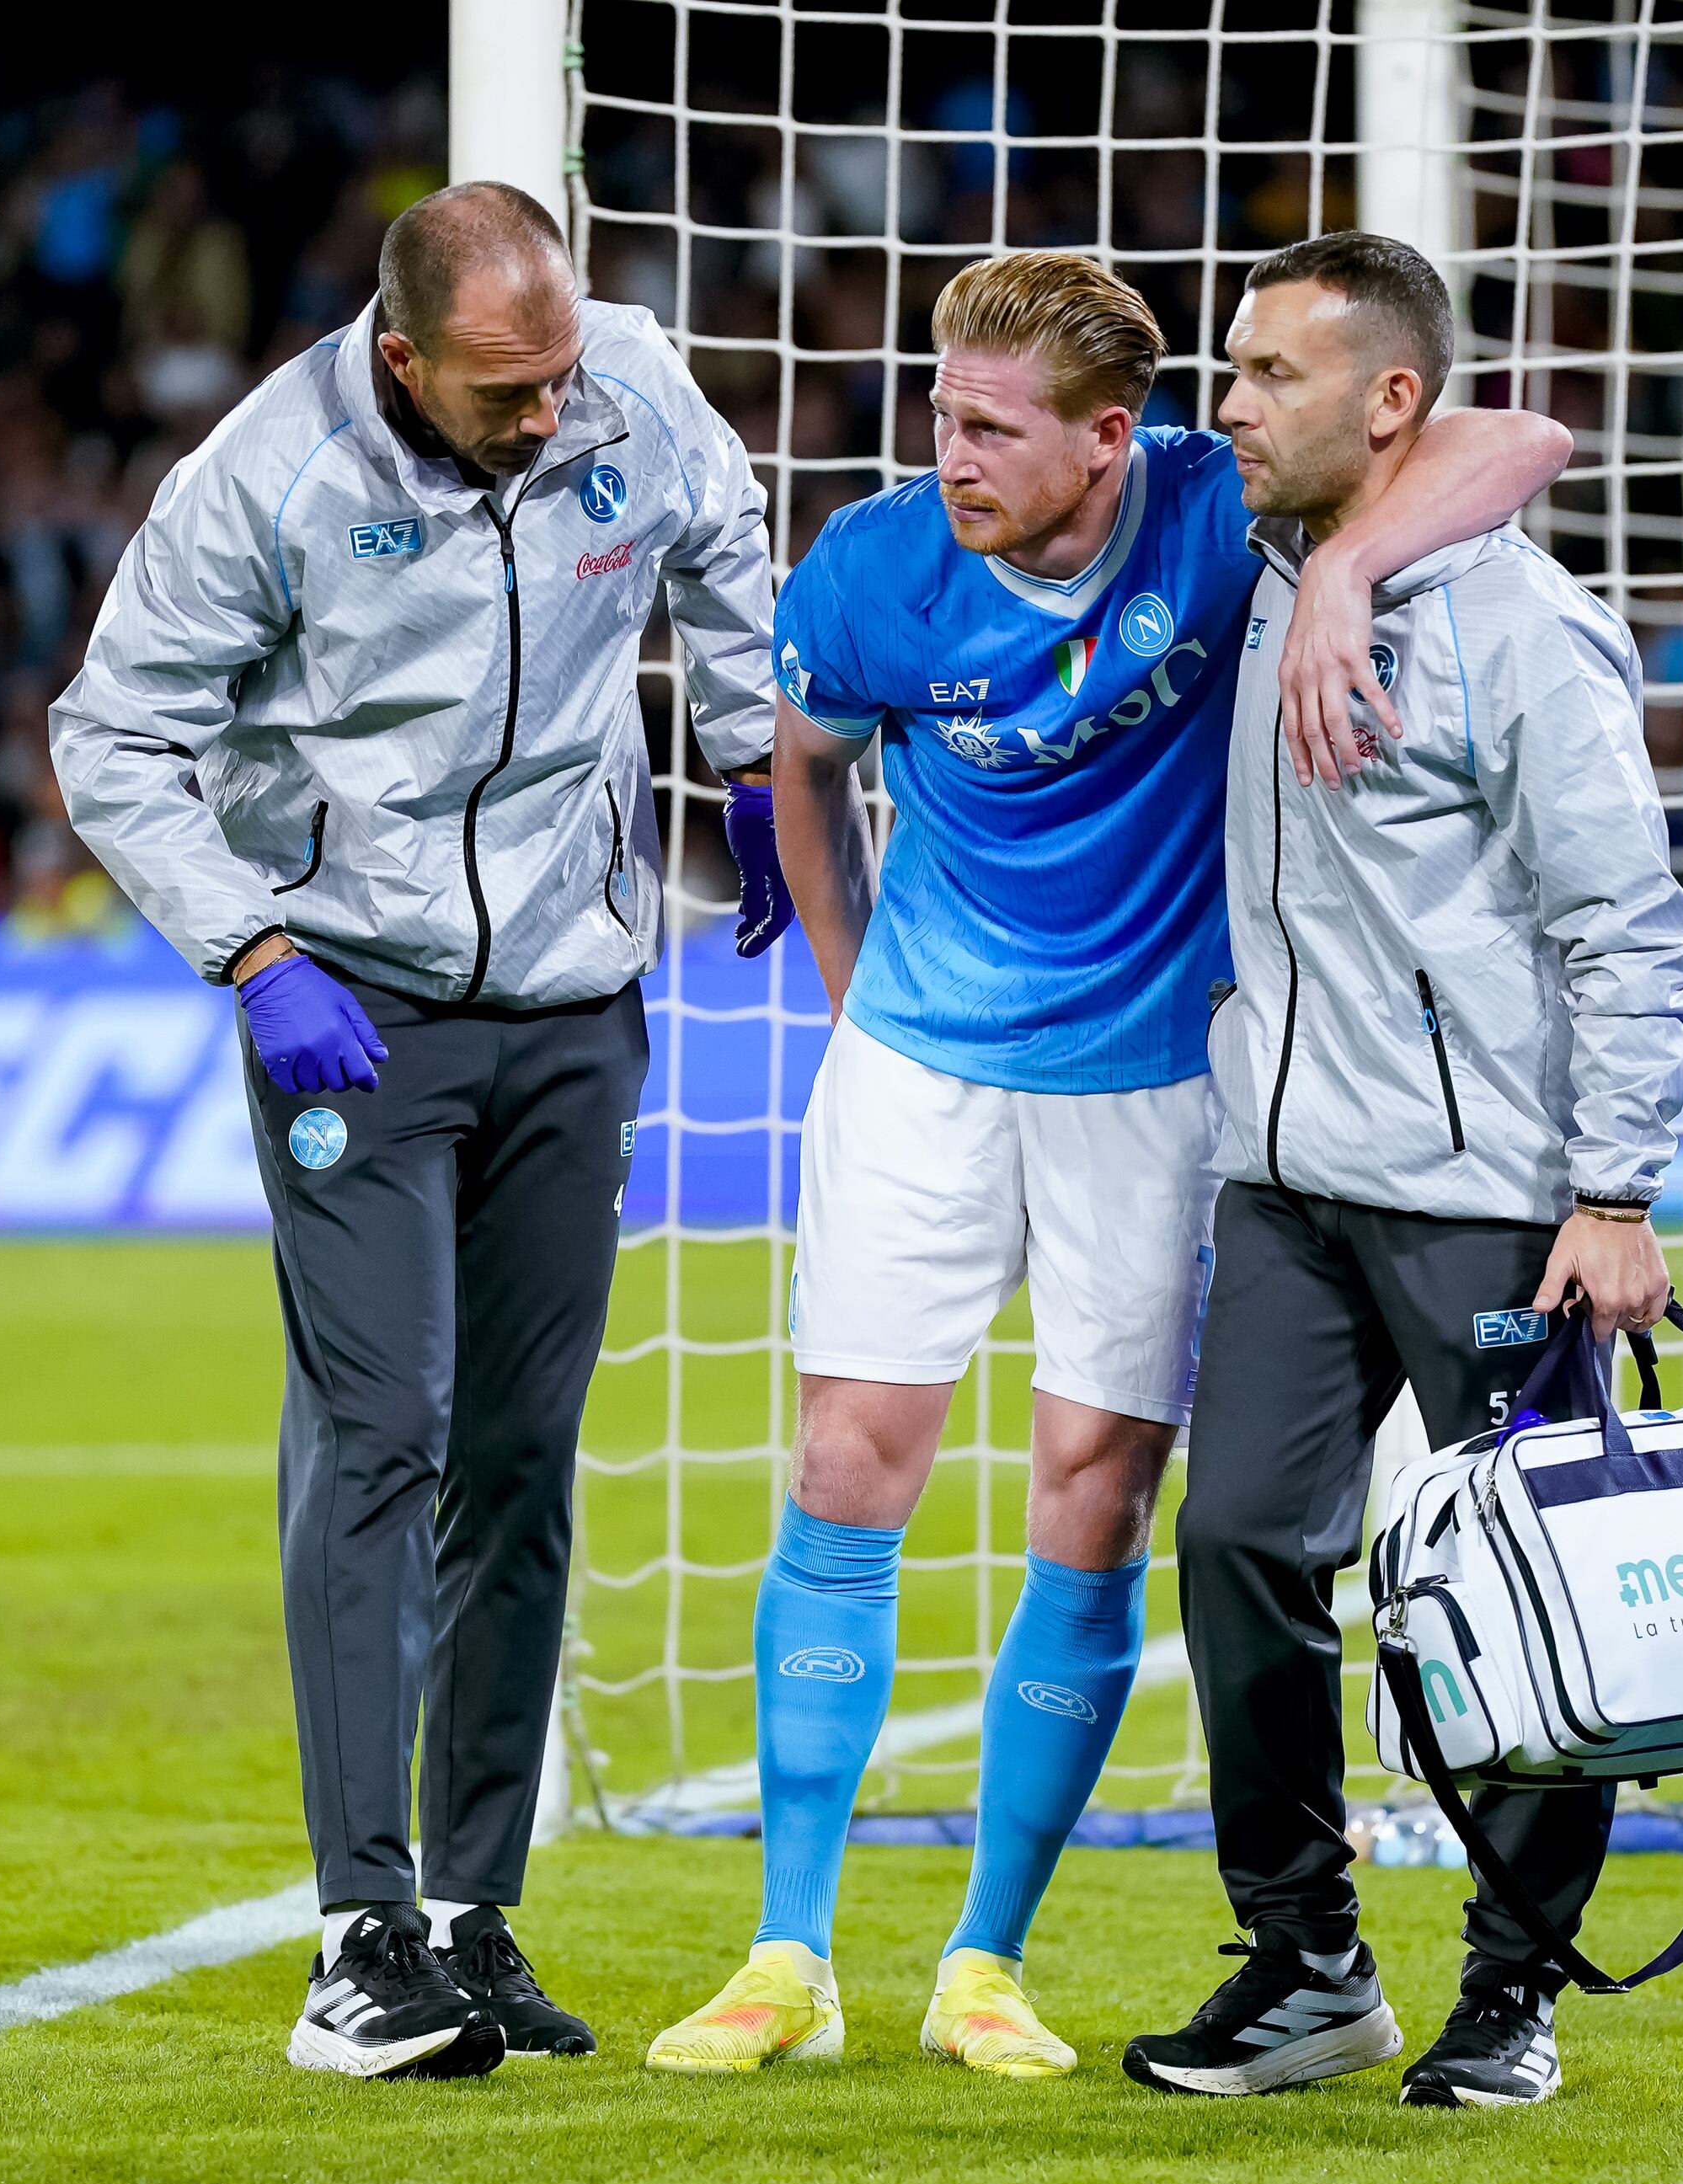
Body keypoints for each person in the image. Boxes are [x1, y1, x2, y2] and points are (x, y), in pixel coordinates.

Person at [646, 248, 1573, 2080]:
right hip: (919, 1059)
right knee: (846, 1457)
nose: (949, 452)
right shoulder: (873, 570)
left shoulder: (1223, 511)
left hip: (1154, 1083)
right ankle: (786, 1950)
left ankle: (984, 1959)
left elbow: (1522, 435)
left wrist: (1354, 575)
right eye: (937, 411)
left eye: (988, 425)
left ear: (1105, 437)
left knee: (1094, 1489)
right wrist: (857, 1013)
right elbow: (800, 772)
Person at [52, 182, 775, 2083]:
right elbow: (109, 729)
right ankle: (354, 1939)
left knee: (524, 1462)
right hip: (350, 1017)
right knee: (379, 1434)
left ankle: (472, 1915)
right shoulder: (266, 472)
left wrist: (750, 744)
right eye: (500, 393)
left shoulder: (624, 381)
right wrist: (250, 945)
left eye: (554, 379)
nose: (546, 418)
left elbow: (722, 542)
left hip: (572, 1010)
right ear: (401, 358)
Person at [1119, 233, 1683, 2107]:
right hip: (1281, 1171)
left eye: (1264, 375)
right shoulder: (1262, 560)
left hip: (1488, 1196)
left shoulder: (1522, 631)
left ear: (1385, 401)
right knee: (1233, 1546)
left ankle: (1509, 1990)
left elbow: (1626, 921)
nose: (1223, 409)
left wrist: (1607, 1188)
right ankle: (1302, 1959)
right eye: (1223, 369)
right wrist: (1338, 559)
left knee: (1522, 1596)